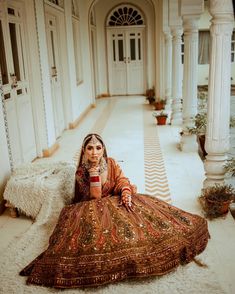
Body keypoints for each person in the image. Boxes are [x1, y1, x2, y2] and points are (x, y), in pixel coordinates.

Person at [20, 133, 210, 288]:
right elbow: (94, 198)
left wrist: (126, 193)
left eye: (98, 148)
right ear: (84, 151)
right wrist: (94, 174)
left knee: (149, 218)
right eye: (90, 148)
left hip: (117, 199)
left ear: (103, 150)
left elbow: (121, 180)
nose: (94, 153)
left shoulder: (110, 163)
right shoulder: (81, 172)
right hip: (93, 207)